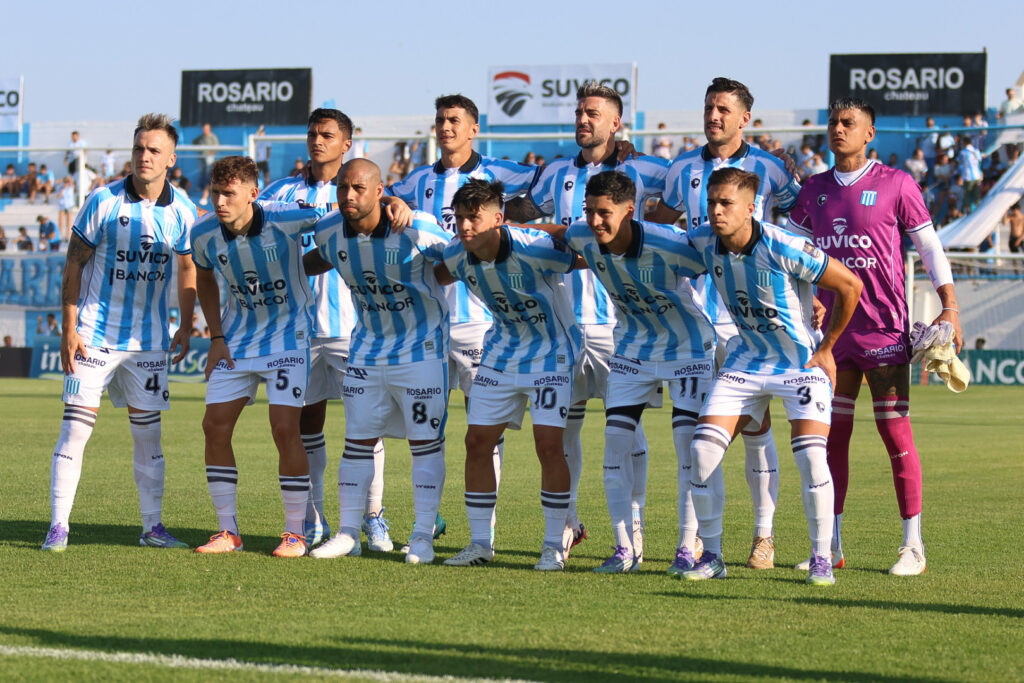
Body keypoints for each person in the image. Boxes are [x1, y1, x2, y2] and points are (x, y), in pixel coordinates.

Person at [788, 97, 963, 576]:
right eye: (833, 122)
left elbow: (930, 248)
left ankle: (913, 546)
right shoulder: (813, 190)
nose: (838, 129)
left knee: (894, 432)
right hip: (831, 336)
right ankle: (830, 546)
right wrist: (805, 301)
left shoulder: (897, 184)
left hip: (883, 330)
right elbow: (790, 253)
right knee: (831, 438)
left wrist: (949, 305)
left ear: (869, 134)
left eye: (849, 123)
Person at [506, 82, 669, 565]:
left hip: (621, 324)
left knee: (627, 432)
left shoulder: (644, 169)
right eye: (579, 111)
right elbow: (522, 213)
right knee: (563, 430)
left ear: (615, 123)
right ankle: (568, 525)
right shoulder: (555, 173)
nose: (583, 119)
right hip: (563, 324)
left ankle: (632, 534)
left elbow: (688, 191)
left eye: (593, 113)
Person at [679, 167, 862, 586]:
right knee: (702, 451)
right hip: (745, 362)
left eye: (726, 203)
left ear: (751, 208)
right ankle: (713, 556)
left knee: (812, 456)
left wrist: (827, 347)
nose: (716, 211)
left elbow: (850, 286)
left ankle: (820, 558)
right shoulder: (703, 242)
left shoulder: (784, 245)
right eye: (712, 202)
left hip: (800, 364)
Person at [648, 76, 803, 570]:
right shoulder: (681, 169)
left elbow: (802, 224)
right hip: (695, 321)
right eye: (708, 107)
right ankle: (693, 539)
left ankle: (764, 535)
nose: (713, 116)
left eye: (723, 109)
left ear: (745, 119)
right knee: (694, 432)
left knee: (756, 427)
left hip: (751, 323)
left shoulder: (771, 168)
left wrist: (809, 295)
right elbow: (662, 228)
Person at [386, 94, 541, 550]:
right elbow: (385, 199)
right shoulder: (418, 180)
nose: (446, 127)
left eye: (455, 120)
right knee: (425, 428)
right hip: (428, 325)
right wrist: (393, 202)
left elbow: (547, 185)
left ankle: (483, 530)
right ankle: (428, 519)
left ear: (474, 128)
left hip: (479, 323)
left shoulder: (498, 171)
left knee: (484, 430)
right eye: (440, 120)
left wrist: (509, 222)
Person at [41, 113, 197, 553]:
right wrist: (69, 327)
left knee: (148, 435)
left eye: (154, 150)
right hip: (94, 334)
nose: (144, 156)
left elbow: (188, 268)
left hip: (149, 342)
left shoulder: (183, 210)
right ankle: (58, 526)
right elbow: (74, 263)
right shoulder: (102, 201)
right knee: (75, 429)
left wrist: (186, 324)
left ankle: (152, 527)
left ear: (170, 158)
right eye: (139, 148)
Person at [260, 108, 411, 552]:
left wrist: (399, 203)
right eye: (312, 133)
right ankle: (314, 518)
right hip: (298, 330)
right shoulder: (279, 193)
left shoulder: (367, 191)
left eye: (327, 134)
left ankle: (373, 516)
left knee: (368, 424)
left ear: (347, 143)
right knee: (307, 425)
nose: (317, 141)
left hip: (353, 328)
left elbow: (398, 219)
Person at [564, 171, 715, 575]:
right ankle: (624, 548)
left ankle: (687, 547)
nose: (595, 221)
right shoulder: (582, 235)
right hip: (632, 349)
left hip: (687, 348)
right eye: (589, 211)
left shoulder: (669, 242)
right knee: (615, 443)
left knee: (687, 447)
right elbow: (553, 233)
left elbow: (720, 264)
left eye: (604, 213)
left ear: (630, 211)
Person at [305, 159, 450, 565]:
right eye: (342, 188)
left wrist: (429, 285)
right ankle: (348, 533)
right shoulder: (329, 229)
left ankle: (422, 537)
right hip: (367, 350)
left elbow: (462, 257)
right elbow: (319, 258)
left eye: (358, 188)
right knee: (357, 442)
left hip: (421, 350)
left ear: (380, 190)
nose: (348, 195)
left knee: (424, 444)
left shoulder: (417, 227)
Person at [435, 179, 578, 571]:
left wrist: (544, 229)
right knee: (477, 441)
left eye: (474, 218)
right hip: (501, 352)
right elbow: (434, 274)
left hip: (551, 354)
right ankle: (480, 543)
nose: (465, 227)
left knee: (548, 446)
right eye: (460, 219)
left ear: (499, 219)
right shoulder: (457, 254)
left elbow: (586, 253)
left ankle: (553, 545)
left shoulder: (534, 247)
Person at [190, 156, 328, 558]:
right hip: (236, 339)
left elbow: (338, 215)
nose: (220, 202)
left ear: (253, 193)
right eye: (215, 193)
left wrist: (389, 203)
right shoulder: (203, 232)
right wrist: (216, 336)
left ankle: (295, 533)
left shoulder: (286, 217)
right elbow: (202, 276)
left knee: (285, 429)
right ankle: (228, 531)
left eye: (229, 194)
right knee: (213, 426)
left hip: (288, 337)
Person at [193, 123, 219, 206]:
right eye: (204, 129)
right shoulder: (201, 137)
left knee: (208, 173)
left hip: (209, 157)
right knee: (201, 172)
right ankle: (200, 187)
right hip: (201, 157)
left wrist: (210, 153)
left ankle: (206, 188)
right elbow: (194, 142)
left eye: (206, 129)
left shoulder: (213, 137)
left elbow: (216, 147)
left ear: (209, 129)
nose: (204, 130)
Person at [57, 176, 76, 241]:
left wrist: (68, 181)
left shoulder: (71, 187)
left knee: (68, 222)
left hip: (69, 205)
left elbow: (72, 181)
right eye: (65, 182)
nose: (66, 183)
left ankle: (67, 236)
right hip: (62, 205)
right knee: (61, 222)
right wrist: (63, 188)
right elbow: (58, 196)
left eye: (67, 182)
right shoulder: (60, 187)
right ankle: (60, 235)